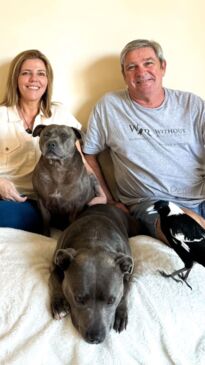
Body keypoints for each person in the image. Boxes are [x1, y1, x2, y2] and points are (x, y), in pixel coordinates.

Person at [83, 39, 205, 243]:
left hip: (199, 197)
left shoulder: (191, 104)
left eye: (148, 63)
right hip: (151, 204)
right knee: (189, 230)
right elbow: (88, 155)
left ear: (162, 67)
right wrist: (108, 200)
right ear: (124, 75)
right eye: (132, 67)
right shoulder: (109, 107)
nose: (141, 72)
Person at [0, 49, 81, 233]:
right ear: (16, 79)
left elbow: (81, 160)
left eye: (40, 74)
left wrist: (102, 195)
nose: (33, 79)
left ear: (47, 81)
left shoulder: (60, 114)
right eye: (26, 73)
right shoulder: (1, 115)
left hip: (37, 202)